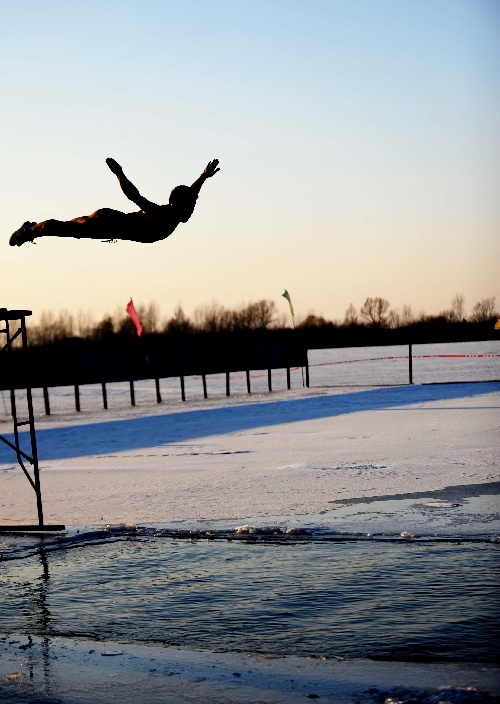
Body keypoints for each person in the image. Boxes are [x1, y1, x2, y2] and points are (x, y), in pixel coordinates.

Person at [9, 158, 220, 246]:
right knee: (64, 228)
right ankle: (28, 230)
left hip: (110, 221)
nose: (192, 211)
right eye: (189, 206)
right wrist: (119, 174)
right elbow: (134, 196)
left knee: (70, 225)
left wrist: (203, 176)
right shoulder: (164, 215)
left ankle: (31, 229)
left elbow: (192, 194)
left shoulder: (179, 212)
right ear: (177, 204)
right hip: (107, 224)